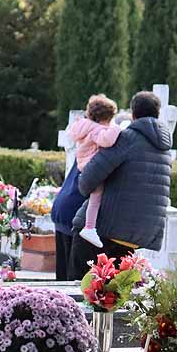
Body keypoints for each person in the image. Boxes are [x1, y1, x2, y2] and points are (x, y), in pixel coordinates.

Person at [67, 90, 173, 277]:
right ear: (157, 112)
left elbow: (86, 182)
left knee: (81, 287)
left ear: (133, 113)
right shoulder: (163, 148)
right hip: (138, 234)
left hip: (104, 229)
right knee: (113, 295)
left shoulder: (127, 138)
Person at [65, 94, 121, 249]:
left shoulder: (83, 125)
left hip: (83, 165)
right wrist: (117, 128)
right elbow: (107, 141)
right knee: (96, 197)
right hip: (92, 167)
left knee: (95, 198)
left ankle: (90, 227)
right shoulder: (97, 130)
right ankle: (90, 228)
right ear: (105, 118)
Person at [49, 163, 83, 281]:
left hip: (64, 207)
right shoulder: (102, 148)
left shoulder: (86, 147)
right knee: (73, 281)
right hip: (75, 211)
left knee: (63, 279)